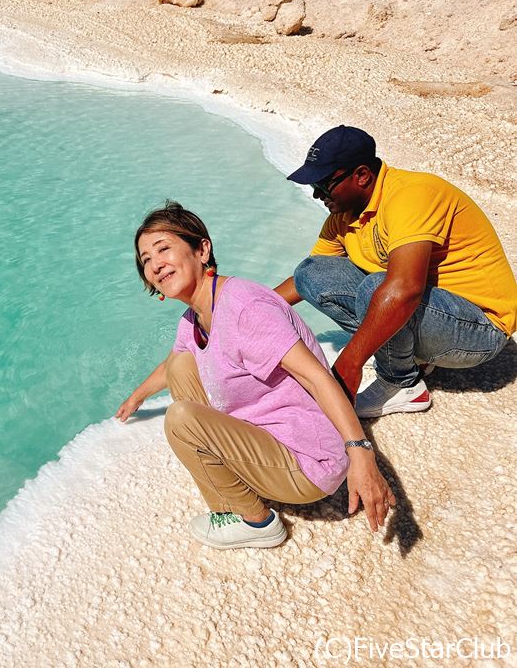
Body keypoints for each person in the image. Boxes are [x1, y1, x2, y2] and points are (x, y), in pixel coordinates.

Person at [115, 202, 394, 550]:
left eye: (163, 249)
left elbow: (316, 378)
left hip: (309, 461)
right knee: (181, 367)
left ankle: (253, 521)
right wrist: (137, 396)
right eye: (145, 260)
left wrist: (361, 452)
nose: (155, 265)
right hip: (268, 436)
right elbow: (175, 360)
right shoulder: (196, 315)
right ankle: (232, 472)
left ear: (202, 250)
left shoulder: (245, 309)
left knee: (181, 420)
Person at [275, 126, 517, 418]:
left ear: (362, 175)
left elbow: (405, 289)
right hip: (434, 315)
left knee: (381, 287)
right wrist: (240, 308)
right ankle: (406, 357)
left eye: (324, 184)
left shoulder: (411, 195)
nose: (316, 194)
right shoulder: (345, 215)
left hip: (480, 328)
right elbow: (308, 279)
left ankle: (401, 383)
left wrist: (349, 363)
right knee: (311, 273)